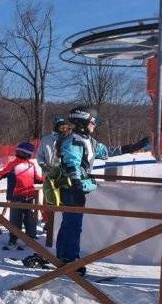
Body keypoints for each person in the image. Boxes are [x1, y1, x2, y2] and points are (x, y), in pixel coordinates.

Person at [55, 107, 150, 274]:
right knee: (73, 224)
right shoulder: (73, 140)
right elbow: (72, 163)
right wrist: (77, 183)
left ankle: (64, 256)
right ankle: (70, 260)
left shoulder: (89, 141)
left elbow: (107, 151)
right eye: (93, 121)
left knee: (70, 222)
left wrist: (133, 147)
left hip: (76, 187)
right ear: (84, 122)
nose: (95, 125)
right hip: (71, 188)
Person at [0, 142, 44, 258]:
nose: (18, 153)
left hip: (29, 196)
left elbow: (36, 179)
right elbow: (0, 175)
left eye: (20, 152)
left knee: (30, 218)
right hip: (17, 197)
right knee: (15, 219)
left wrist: (47, 180)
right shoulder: (13, 165)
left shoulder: (31, 165)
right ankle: (13, 239)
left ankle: (31, 237)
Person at [37, 118, 72, 233]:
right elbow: (40, 156)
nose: (64, 129)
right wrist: (43, 165)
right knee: (49, 198)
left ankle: (59, 223)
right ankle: (48, 222)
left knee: (62, 198)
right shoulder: (46, 140)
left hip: (63, 175)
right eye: (62, 126)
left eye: (66, 126)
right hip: (49, 174)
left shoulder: (69, 139)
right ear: (56, 127)